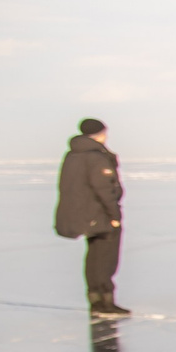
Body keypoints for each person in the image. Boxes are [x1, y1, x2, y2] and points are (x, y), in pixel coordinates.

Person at [54, 118, 128, 316]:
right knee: (105, 259)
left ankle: (96, 301)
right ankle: (105, 302)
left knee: (94, 259)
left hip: (85, 216)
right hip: (100, 215)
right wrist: (114, 216)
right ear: (100, 134)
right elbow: (103, 188)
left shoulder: (73, 155)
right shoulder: (95, 157)